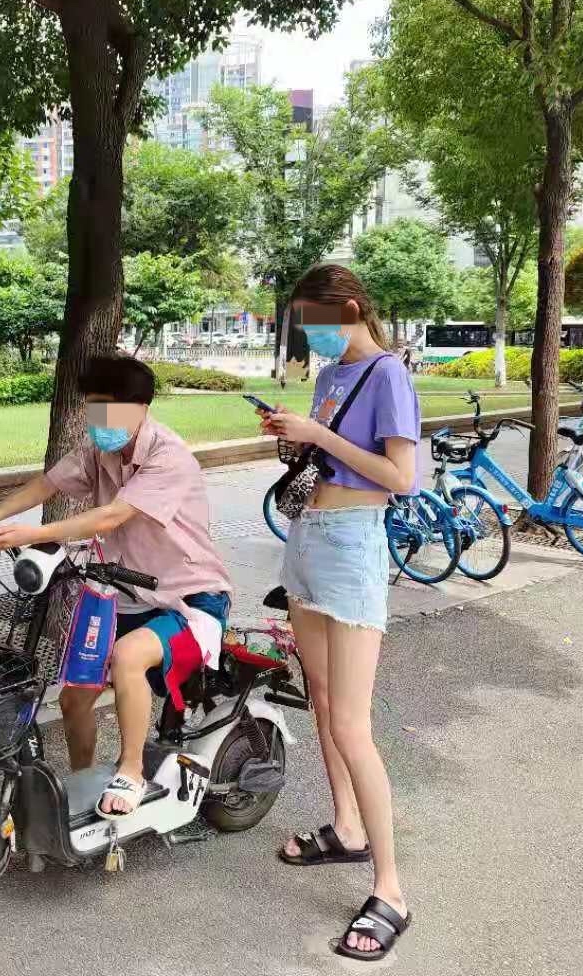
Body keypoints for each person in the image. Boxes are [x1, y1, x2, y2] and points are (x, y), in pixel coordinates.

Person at [0, 355, 232, 818]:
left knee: (129, 657)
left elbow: (113, 515)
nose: (98, 421)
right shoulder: (98, 450)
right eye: (92, 409)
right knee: (73, 696)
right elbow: (47, 484)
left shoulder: (169, 456)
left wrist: (30, 534)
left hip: (188, 600)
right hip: (126, 594)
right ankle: (81, 785)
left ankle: (132, 772)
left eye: (109, 409)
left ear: (140, 407)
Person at [259, 263, 416, 962]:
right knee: (321, 702)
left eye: (316, 321)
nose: (311, 334)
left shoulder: (388, 374)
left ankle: (391, 891)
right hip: (307, 541)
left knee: (353, 723)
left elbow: (397, 477)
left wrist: (318, 438)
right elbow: (321, 460)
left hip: (354, 546)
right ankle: (347, 830)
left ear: (349, 308)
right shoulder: (328, 380)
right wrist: (293, 437)